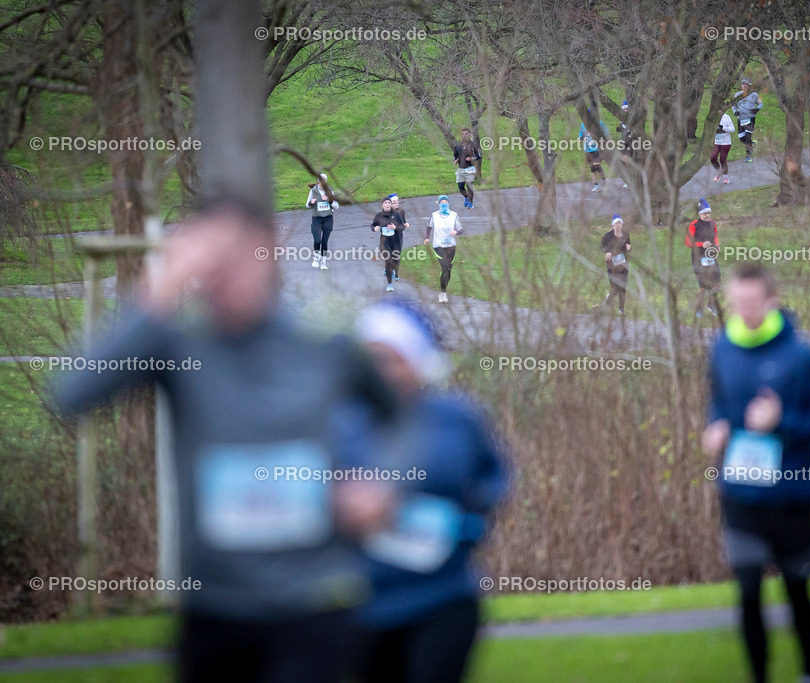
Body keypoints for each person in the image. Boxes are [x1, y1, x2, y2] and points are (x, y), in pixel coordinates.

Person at [51, 198, 397, 683]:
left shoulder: (325, 344)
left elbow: (403, 418)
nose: (224, 272)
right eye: (209, 259)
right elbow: (71, 396)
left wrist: (384, 481)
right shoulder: (178, 346)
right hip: (214, 608)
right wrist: (159, 291)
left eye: (236, 254)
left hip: (313, 600)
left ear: (268, 251)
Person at [333, 299, 508, 683]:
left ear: (417, 361)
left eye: (389, 358)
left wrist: (461, 528)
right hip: (360, 606)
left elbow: (490, 489)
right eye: (369, 358)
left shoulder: (456, 420)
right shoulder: (339, 421)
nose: (378, 371)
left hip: (441, 599)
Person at [701, 263, 810, 683]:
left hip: (792, 496)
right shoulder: (721, 347)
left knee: (797, 590)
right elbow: (717, 403)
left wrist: (781, 420)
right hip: (740, 496)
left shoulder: (800, 355)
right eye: (736, 301)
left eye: (752, 300)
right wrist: (717, 425)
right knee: (748, 592)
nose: (744, 308)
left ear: (771, 300)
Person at [424, 195, 464, 304]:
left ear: (449, 203)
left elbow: (461, 229)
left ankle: (443, 291)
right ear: (439, 204)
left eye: (446, 202)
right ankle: (443, 292)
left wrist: (456, 232)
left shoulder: (454, 215)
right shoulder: (434, 215)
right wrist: (427, 238)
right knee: (445, 266)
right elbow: (429, 226)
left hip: (451, 245)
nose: (444, 203)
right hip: (438, 245)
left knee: (449, 269)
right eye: (442, 202)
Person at [686, 198, 721, 318]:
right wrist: (701, 244)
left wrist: (717, 245)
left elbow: (715, 236)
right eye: (705, 213)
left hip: (710, 256)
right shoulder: (694, 225)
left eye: (708, 213)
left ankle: (711, 304)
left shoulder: (712, 223)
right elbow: (688, 242)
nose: (707, 216)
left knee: (716, 283)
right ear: (700, 214)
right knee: (703, 286)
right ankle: (699, 308)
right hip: (698, 258)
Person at [597, 214, 631, 314]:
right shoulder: (608, 236)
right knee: (615, 288)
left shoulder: (626, 235)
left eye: (620, 223)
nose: (618, 225)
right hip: (612, 266)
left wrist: (629, 248)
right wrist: (607, 251)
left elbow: (628, 246)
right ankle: (608, 300)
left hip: (623, 265)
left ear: (622, 224)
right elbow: (601, 247)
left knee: (623, 287)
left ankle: (621, 309)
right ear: (613, 225)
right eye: (616, 223)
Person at [306, 172, 340, 270]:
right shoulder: (313, 191)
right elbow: (307, 205)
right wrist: (311, 202)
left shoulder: (330, 191)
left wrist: (329, 200)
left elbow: (336, 206)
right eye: (321, 180)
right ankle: (316, 258)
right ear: (318, 181)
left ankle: (323, 261)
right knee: (317, 240)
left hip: (328, 218)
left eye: (324, 180)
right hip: (316, 218)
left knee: (324, 241)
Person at [371, 196, 405, 293]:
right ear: (382, 205)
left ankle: (394, 271)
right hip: (384, 242)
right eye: (385, 203)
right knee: (388, 261)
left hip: (395, 241)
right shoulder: (379, 215)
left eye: (388, 203)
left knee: (395, 259)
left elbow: (402, 226)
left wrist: (395, 227)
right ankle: (389, 283)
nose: (387, 204)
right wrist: (375, 228)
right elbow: (373, 225)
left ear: (391, 204)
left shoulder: (397, 214)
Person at [732, 78, 764, 163]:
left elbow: (761, 103)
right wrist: (735, 112)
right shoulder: (737, 95)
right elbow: (733, 105)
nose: (744, 85)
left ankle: (748, 155)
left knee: (748, 137)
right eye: (743, 84)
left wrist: (757, 109)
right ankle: (752, 145)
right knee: (742, 138)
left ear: (749, 85)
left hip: (750, 118)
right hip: (740, 119)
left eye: (746, 84)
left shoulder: (755, 95)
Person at [579, 112, 611, 192]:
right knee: (592, 168)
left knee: (596, 166)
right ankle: (596, 186)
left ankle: (604, 180)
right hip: (588, 150)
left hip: (598, 149)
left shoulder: (599, 123)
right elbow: (580, 136)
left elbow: (606, 133)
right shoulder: (583, 125)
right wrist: (581, 138)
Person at [452, 128, 481, 209]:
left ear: (469, 134)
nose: (465, 135)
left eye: (466, 133)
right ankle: (467, 197)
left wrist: (472, 158)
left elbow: (479, 155)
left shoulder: (473, 145)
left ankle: (470, 203)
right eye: (463, 134)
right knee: (460, 187)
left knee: (469, 186)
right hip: (461, 169)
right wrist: (455, 160)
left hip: (470, 169)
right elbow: (455, 155)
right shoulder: (458, 145)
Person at [388, 194, 411, 281]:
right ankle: (390, 271)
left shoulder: (401, 212)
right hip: (388, 237)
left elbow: (403, 223)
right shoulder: (386, 213)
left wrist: (407, 224)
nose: (396, 204)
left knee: (396, 255)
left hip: (398, 237)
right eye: (394, 202)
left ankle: (396, 273)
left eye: (397, 202)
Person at [711, 111, 736, 184]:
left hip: (725, 142)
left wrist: (722, 127)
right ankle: (719, 172)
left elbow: (732, 129)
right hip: (716, 141)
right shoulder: (713, 117)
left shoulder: (726, 117)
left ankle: (726, 177)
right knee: (713, 158)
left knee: (722, 159)